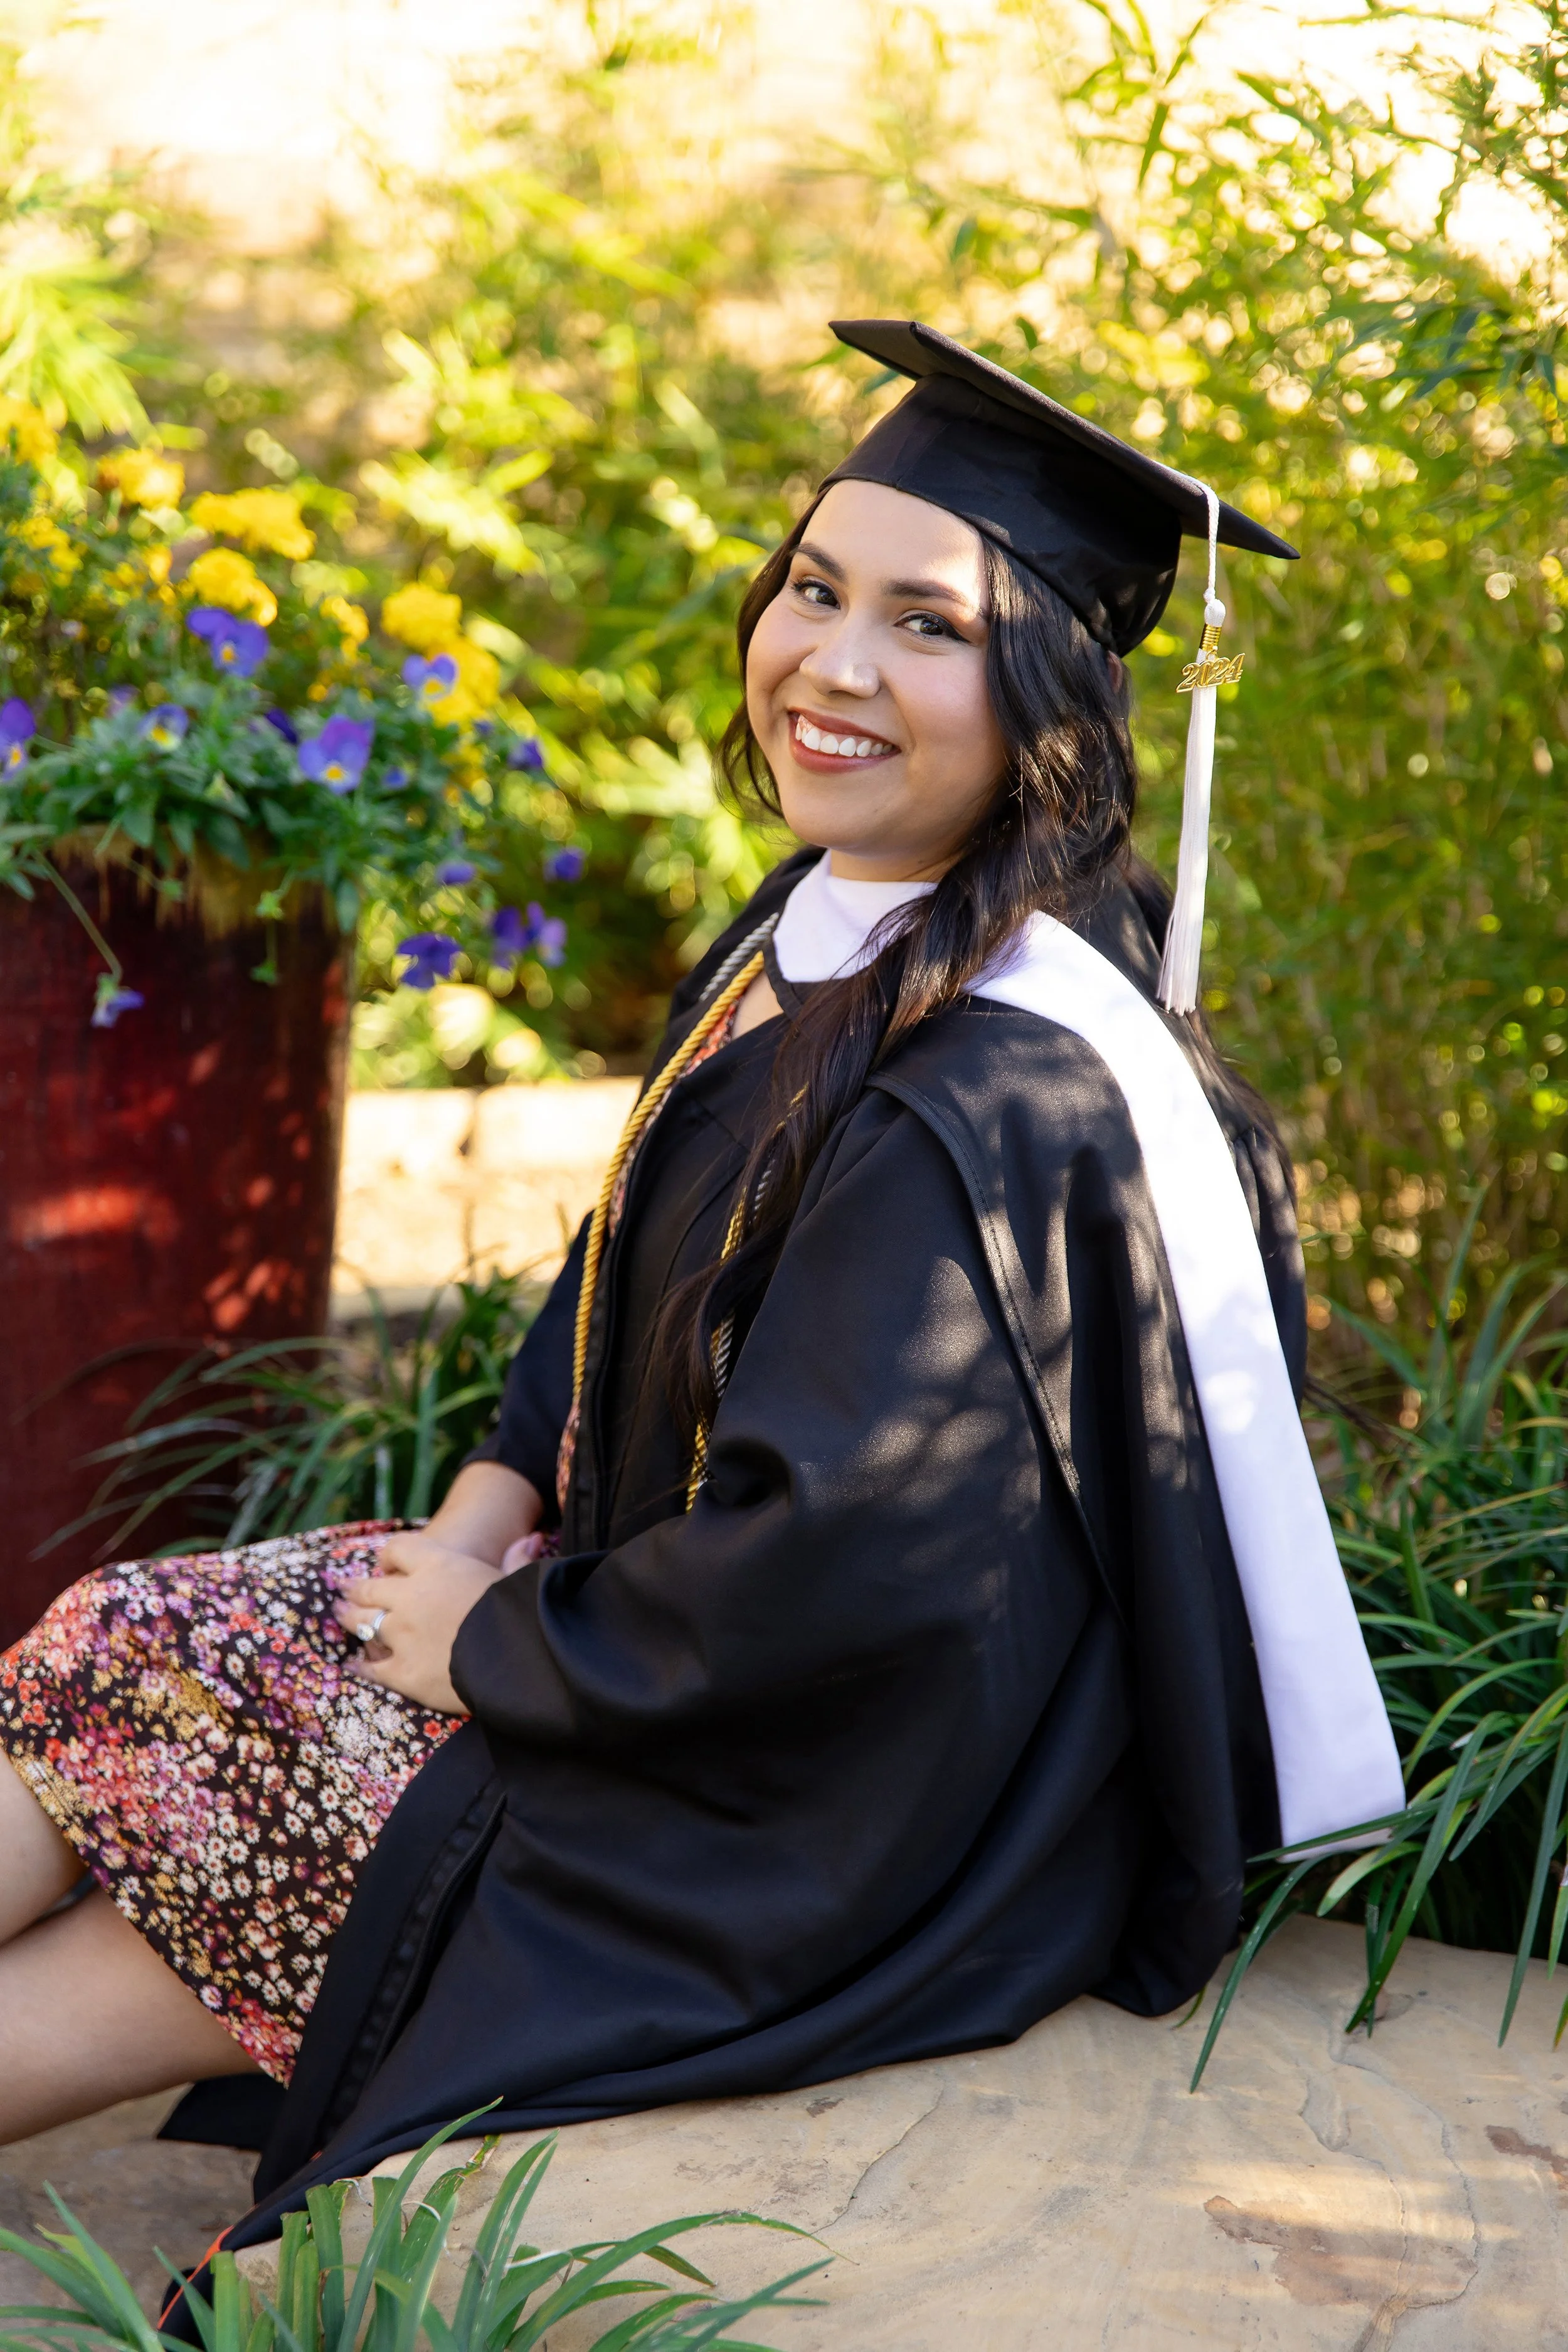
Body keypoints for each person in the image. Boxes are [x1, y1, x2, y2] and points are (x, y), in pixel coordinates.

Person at [0, 322, 1402, 2255]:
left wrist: (488, 1646)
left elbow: (835, 1570)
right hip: (670, 1655)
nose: (829, 664)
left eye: (927, 624)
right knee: (149, 1644)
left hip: (811, 1803)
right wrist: (487, 1516)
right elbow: (618, 1256)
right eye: (814, 588)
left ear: (1049, 698)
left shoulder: (984, 1091)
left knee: (265, 1795)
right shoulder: (835, 931)